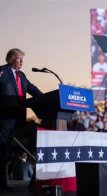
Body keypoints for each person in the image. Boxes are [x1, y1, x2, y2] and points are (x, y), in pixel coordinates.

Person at [0, 48, 42, 189]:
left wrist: (45, 98)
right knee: (2, 150)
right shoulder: (2, 71)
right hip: (4, 118)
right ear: (11, 58)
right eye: (19, 59)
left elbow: (31, 88)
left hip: (18, 119)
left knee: (9, 152)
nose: (22, 62)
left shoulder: (22, 76)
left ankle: (3, 182)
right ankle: (2, 183)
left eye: (22, 59)